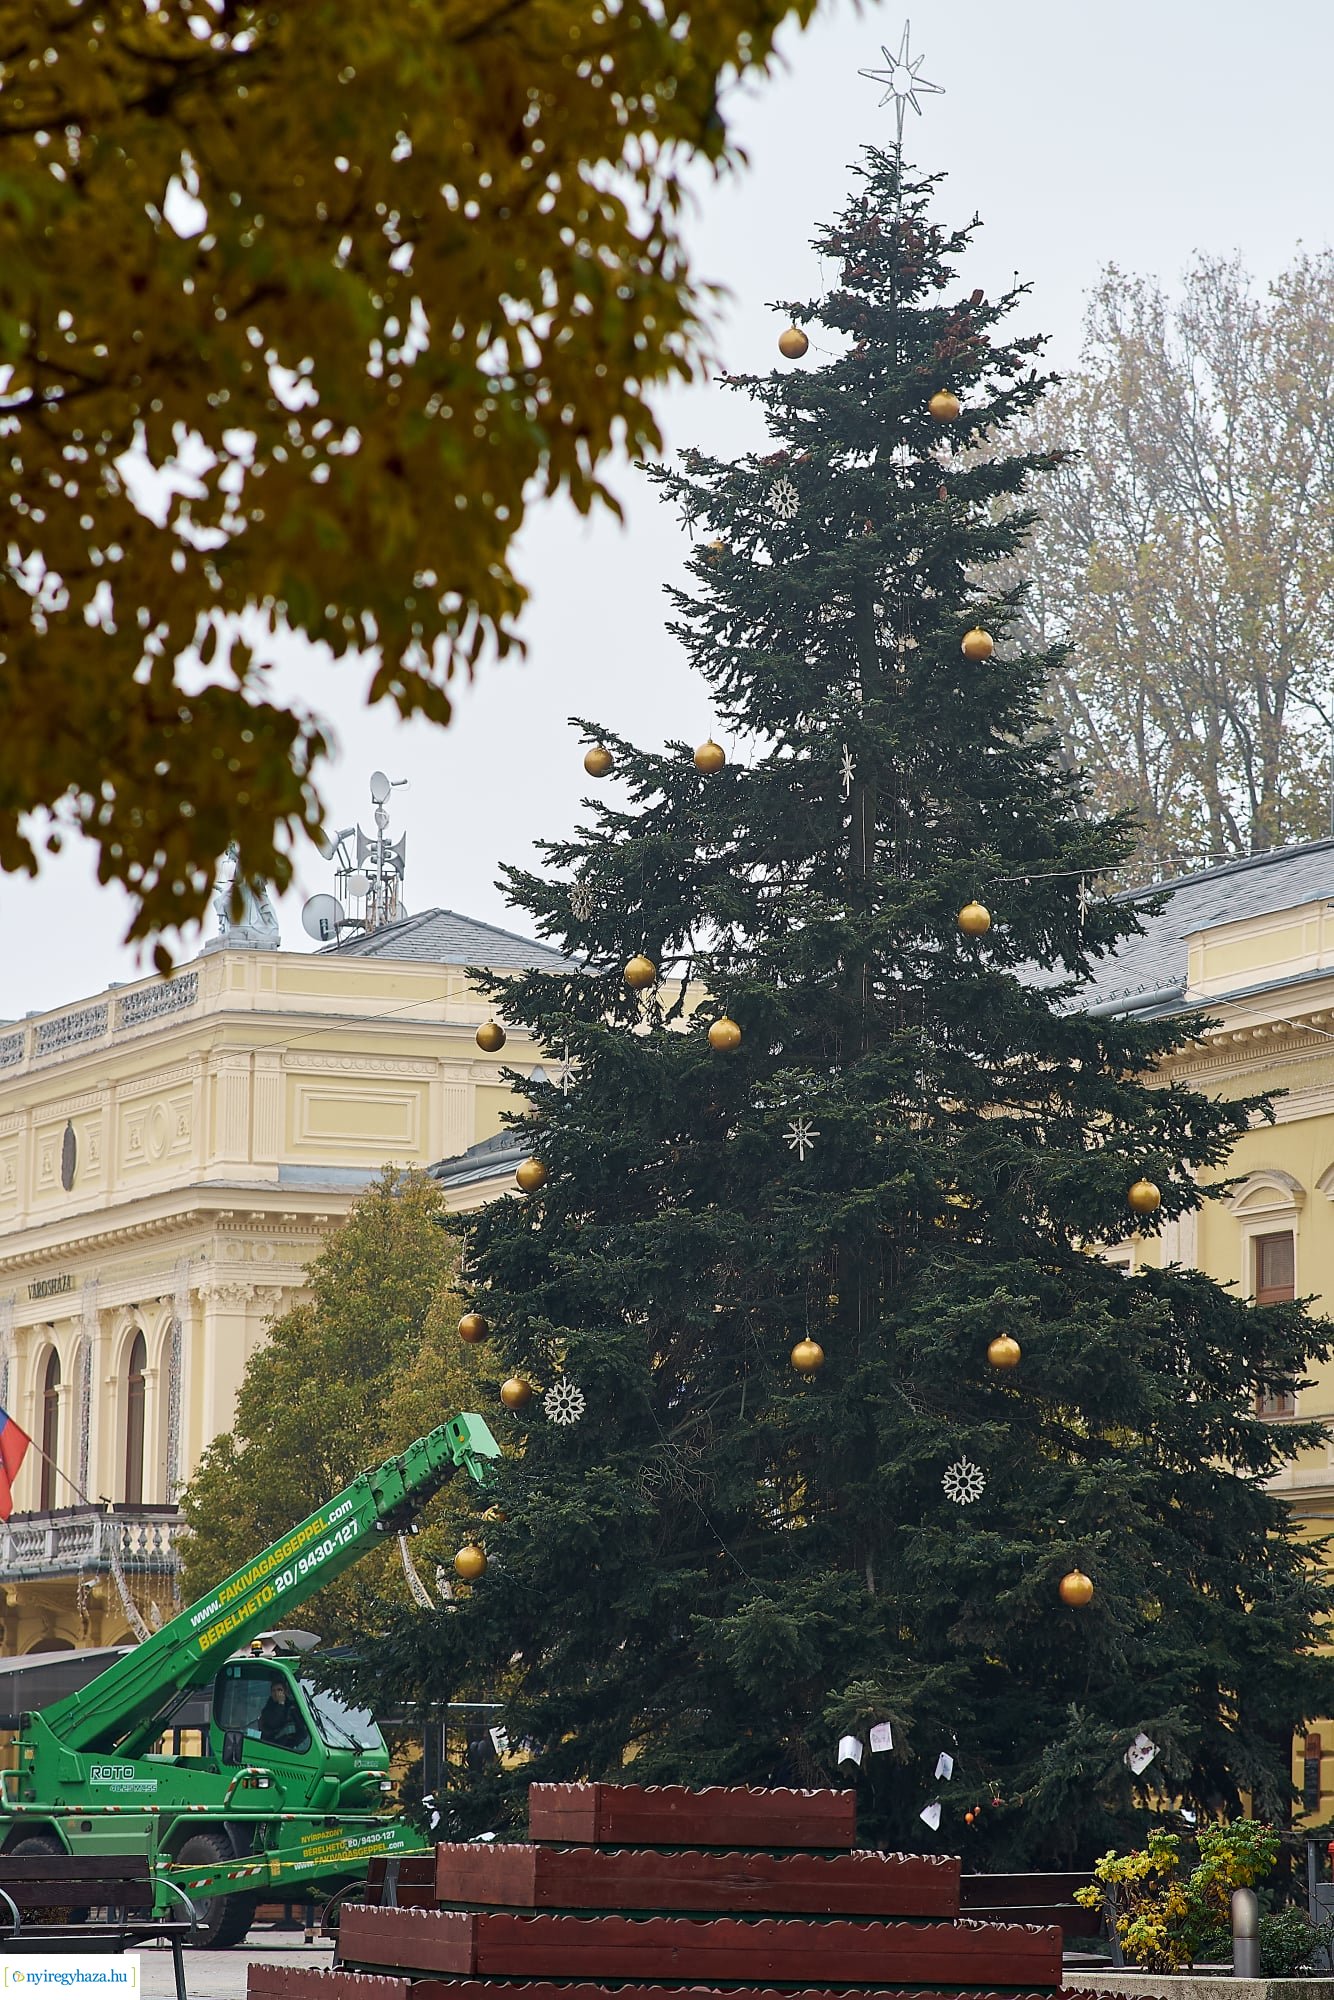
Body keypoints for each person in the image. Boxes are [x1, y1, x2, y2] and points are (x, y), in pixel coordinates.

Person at [258, 1678, 303, 1749]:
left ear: (285, 1692)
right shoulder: (266, 1710)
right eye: (273, 1691)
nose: (276, 1693)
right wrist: (281, 1704)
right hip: (272, 1746)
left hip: (291, 1749)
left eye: (279, 1690)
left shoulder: (293, 1708)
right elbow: (273, 1723)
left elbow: (302, 1730)